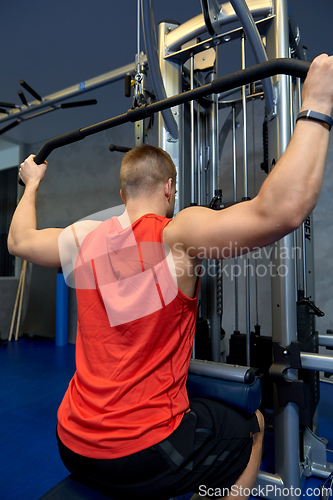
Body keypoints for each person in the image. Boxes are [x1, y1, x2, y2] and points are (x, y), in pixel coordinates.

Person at [7, 54, 333, 500]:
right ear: (169, 188)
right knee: (252, 426)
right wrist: (317, 104)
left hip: (71, 443)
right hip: (142, 453)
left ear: (122, 192)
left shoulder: (84, 237)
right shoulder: (176, 235)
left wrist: (31, 184)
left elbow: (19, 242)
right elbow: (280, 211)